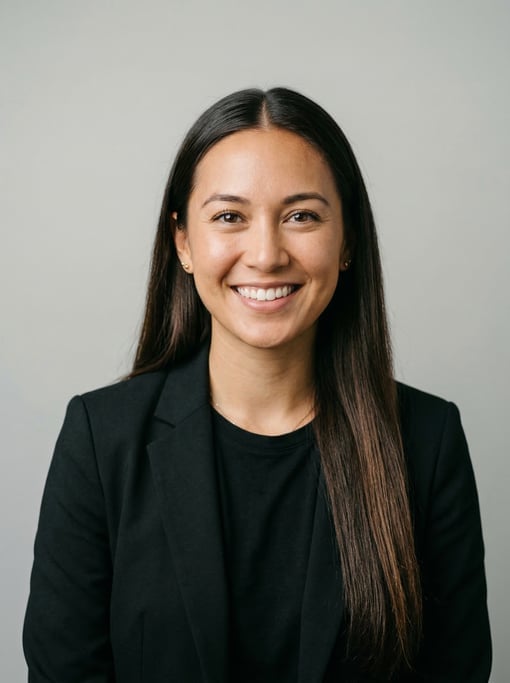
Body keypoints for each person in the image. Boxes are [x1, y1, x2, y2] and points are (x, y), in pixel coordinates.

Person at [23, 87, 491, 682]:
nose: (266, 255)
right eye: (229, 217)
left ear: (346, 240)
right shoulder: (100, 439)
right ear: (183, 243)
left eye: (302, 216)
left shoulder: (427, 442)